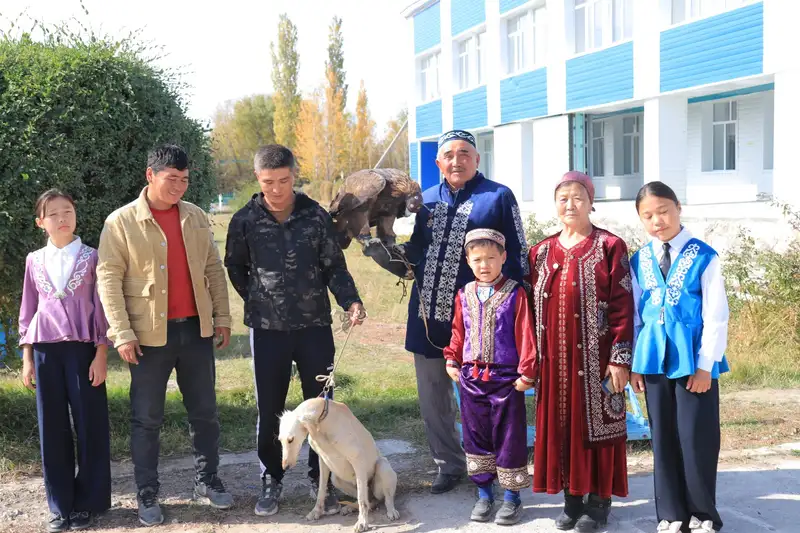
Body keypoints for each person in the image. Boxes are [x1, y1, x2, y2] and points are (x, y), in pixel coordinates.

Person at [366, 129, 529, 494]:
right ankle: (448, 464)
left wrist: (519, 309)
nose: (456, 161)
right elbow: (416, 252)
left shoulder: (498, 196)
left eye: (464, 153)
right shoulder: (426, 201)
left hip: (483, 319)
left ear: (477, 159)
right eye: (449, 155)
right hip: (427, 316)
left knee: (483, 398)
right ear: (438, 163)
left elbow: (518, 253)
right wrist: (383, 251)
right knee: (432, 395)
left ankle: (488, 469)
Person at [224, 144, 365, 517]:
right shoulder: (244, 221)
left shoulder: (315, 217)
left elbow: (334, 265)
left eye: (284, 180)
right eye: (269, 182)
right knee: (270, 406)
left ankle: (324, 481)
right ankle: (271, 477)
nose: (276, 189)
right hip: (267, 330)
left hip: (314, 327)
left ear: (293, 174)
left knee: (320, 408)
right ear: (258, 178)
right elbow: (235, 267)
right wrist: (259, 299)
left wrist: (350, 300)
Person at [96, 144, 233, 526]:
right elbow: (108, 279)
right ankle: (147, 492)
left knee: (205, 413)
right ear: (150, 175)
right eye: (171, 179)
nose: (178, 188)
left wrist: (221, 317)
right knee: (146, 419)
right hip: (146, 337)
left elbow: (213, 269)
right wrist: (121, 333)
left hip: (195, 331)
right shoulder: (120, 222)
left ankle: (207, 481)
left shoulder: (196, 217)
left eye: (185, 181)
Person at [527, 171, 634, 531]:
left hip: (596, 359)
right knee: (561, 425)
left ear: (591, 202)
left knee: (598, 427)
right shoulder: (540, 251)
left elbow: (623, 304)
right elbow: (529, 308)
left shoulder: (610, 246)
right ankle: (572, 498)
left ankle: (598, 501)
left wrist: (619, 359)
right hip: (553, 361)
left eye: (577, 197)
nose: (570, 204)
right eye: (563, 198)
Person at [629, 181, 729, 533]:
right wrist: (635, 367)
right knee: (663, 437)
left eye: (663, 211)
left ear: (678, 207)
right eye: (648, 216)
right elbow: (636, 316)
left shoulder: (704, 255)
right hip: (654, 359)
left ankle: (704, 514)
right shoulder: (639, 258)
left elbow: (716, 315)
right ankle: (671, 513)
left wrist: (706, 366)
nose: (657, 220)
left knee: (695, 436)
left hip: (693, 361)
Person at [18, 189, 112, 532]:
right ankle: (60, 506)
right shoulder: (33, 260)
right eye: (53, 213)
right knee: (52, 428)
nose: (62, 218)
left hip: (83, 351)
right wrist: (28, 358)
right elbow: (28, 310)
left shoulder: (92, 257)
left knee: (90, 425)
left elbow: (103, 307)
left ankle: (89, 502)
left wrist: (102, 352)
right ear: (41, 222)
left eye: (68, 211)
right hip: (44, 351)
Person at [443, 228, 536, 526]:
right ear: (468, 261)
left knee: (508, 437)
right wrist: (452, 358)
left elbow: (525, 333)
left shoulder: (515, 293)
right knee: (475, 435)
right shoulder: (464, 294)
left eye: (491, 258)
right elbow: (459, 331)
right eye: (478, 259)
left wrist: (528, 372)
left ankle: (511, 497)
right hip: (471, 378)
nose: (485, 265)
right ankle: (484, 493)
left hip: (506, 380)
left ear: (503, 258)